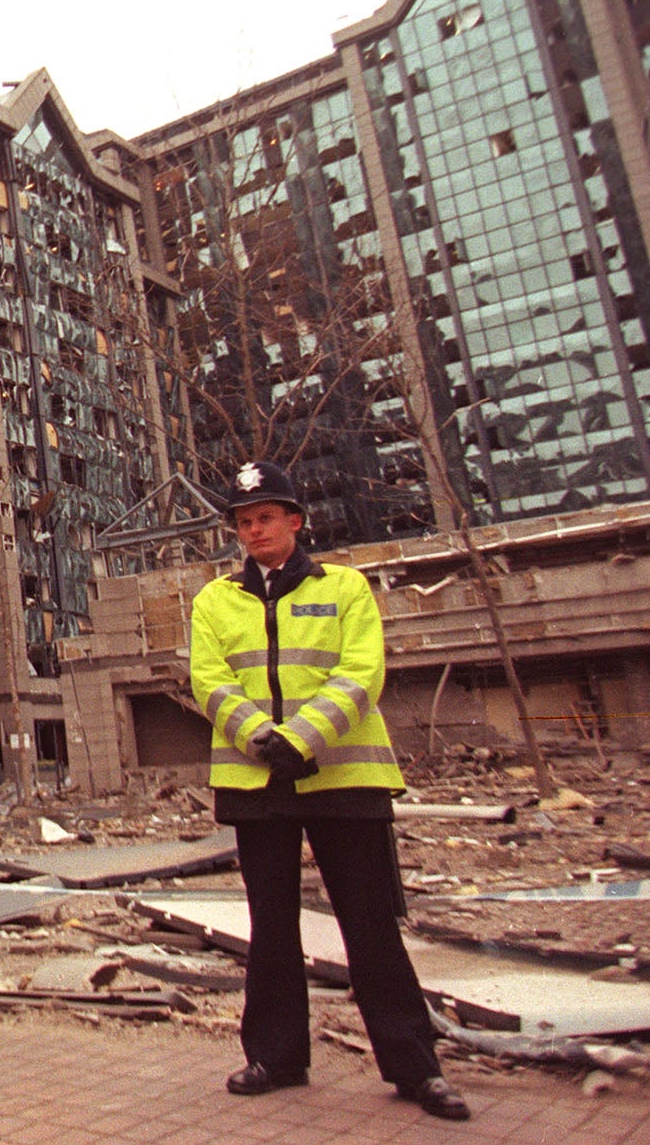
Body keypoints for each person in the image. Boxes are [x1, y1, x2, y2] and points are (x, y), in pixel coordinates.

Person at [191, 463, 469, 1122]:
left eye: (265, 516)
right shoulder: (213, 601)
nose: (254, 529)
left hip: (345, 778)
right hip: (258, 782)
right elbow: (208, 679)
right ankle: (276, 1057)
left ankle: (415, 1068)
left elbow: (361, 671)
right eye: (244, 521)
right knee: (272, 927)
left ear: (295, 521)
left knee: (370, 925)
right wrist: (264, 738)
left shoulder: (343, 588)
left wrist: (306, 738)